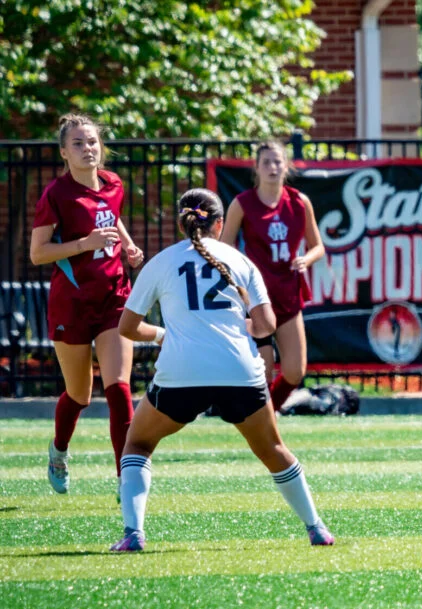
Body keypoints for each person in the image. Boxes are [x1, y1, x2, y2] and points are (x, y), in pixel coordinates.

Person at [111, 188, 333, 551]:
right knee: (274, 450)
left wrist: (165, 335)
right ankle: (317, 528)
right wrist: (232, 327)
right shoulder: (240, 261)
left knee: (137, 443)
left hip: (182, 373)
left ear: (181, 222)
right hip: (239, 372)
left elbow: (127, 328)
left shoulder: (162, 262)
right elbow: (265, 326)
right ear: (219, 223)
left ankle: (133, 535)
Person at [30, 114, 145, 494]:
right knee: (80, 393)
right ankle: (59, 450)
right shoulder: (56, 196)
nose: (87, 148)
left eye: (92, 141)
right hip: (72, 305)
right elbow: (37, 253)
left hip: (114, 298)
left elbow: (112, 218)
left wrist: (126, 244)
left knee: (119, 388)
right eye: (78, 143)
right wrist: (84, 244)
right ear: (64, 152)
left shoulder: (113, 183)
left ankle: (125, 480)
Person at [220, 141, 325, 412]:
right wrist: (239, 280)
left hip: (289, 293)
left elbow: (318, 246)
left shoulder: (300, 202)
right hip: (257, 299)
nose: (272, 167)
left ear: (286, 166)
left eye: (277, 161)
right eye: (266, 162)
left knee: (294, 371)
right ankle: (262, 426)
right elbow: (223, 248)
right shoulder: (243, 203)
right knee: (262, 373)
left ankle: (269, 416)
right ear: (256, 168)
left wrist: (306, 259)